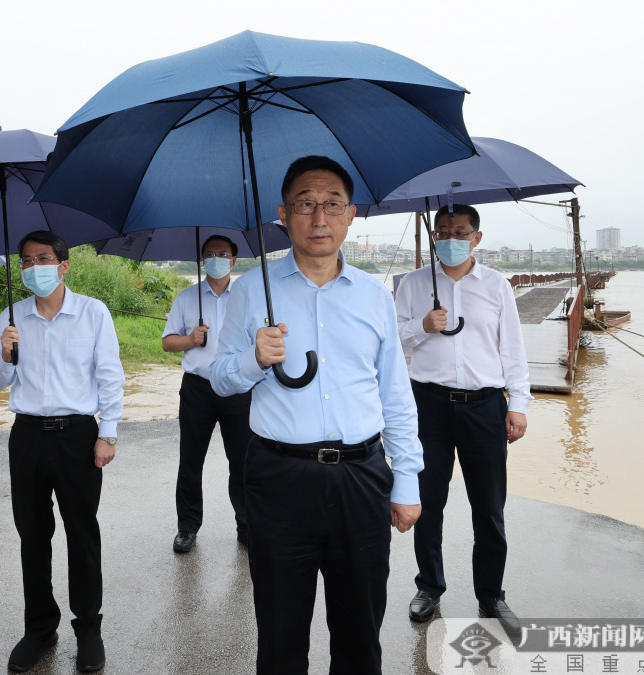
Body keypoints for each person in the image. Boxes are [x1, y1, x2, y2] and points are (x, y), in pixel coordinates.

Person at [210, 155, 423, 674]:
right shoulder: (251, 290)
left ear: (351, 214)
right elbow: (219, 377)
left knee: (359, 630)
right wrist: (251, 359)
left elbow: (395, 391)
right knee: (281, 630)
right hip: (279, 476)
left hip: (361, 476)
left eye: (332, 204)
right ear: (284, 214)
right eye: (305, 204)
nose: (319, 217)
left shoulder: (375, 295)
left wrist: (408, 479)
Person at [393, 204, 531, 642]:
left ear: (477, 237)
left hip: (484, 406)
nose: (451, 238)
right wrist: (422, 326)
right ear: (434, 235)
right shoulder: (413, 284)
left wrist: (519, 403)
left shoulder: (496, 286)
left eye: (460, 231)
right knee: (427, 501)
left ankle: (491, 594)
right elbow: (392, 338)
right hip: (428, 405)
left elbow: (512, 347)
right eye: (444, 231)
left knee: (488, 507)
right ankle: (429, 587)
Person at [0, 231, 123, 674]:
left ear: (64, 265)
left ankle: (89, 628)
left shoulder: (92, 312)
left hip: (77, 434)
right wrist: (7, 353)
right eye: (26, 261)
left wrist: (109, 433)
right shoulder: (12, 316)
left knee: (82, 533)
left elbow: (110, 376)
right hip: (27, 434)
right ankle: (40, 628)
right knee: (32, 534)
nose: (33, 268)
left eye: (43, 259)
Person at [162, 234, 251, 553]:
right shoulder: (186, 298)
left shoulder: (246, 296)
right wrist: (190, 340)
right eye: (210, 254)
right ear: (202, 259)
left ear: (233, 260)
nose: (216, 258)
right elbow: (167, 341)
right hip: (198, 388)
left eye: (222, 253)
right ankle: (187, 526)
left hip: (238, 387)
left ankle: (246, 524)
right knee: (190, 460)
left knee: (242, 461)